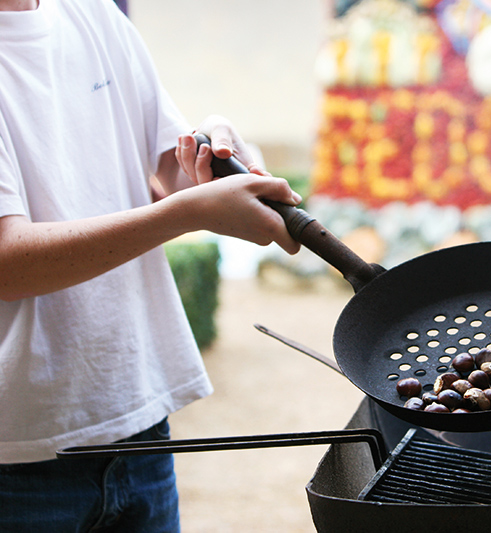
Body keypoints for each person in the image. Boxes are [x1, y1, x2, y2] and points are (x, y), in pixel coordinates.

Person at [0, 0, 302, 530]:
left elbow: (172, 165)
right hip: (16, 459)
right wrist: (186, 214)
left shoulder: (91, 14)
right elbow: (9, 265)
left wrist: (215, 159)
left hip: (139, 424)